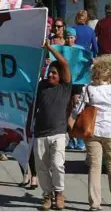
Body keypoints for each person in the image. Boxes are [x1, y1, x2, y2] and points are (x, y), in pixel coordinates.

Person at [71, 60, 111, 211]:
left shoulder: (88, 89)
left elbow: (77, 111)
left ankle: (94, 203)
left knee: (94, 166)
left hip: (92, 131)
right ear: (110, 75)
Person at [34, 39, 72, 211]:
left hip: (58, 132)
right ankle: (47, 196)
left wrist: (49, 48)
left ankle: (59, 193)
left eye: (55, 73)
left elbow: (64, 63)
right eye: (50, 72)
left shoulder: (65, 86)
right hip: (40, 133)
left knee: (57, 165)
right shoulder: (41, 86)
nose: (51, 75)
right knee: (41, 168)